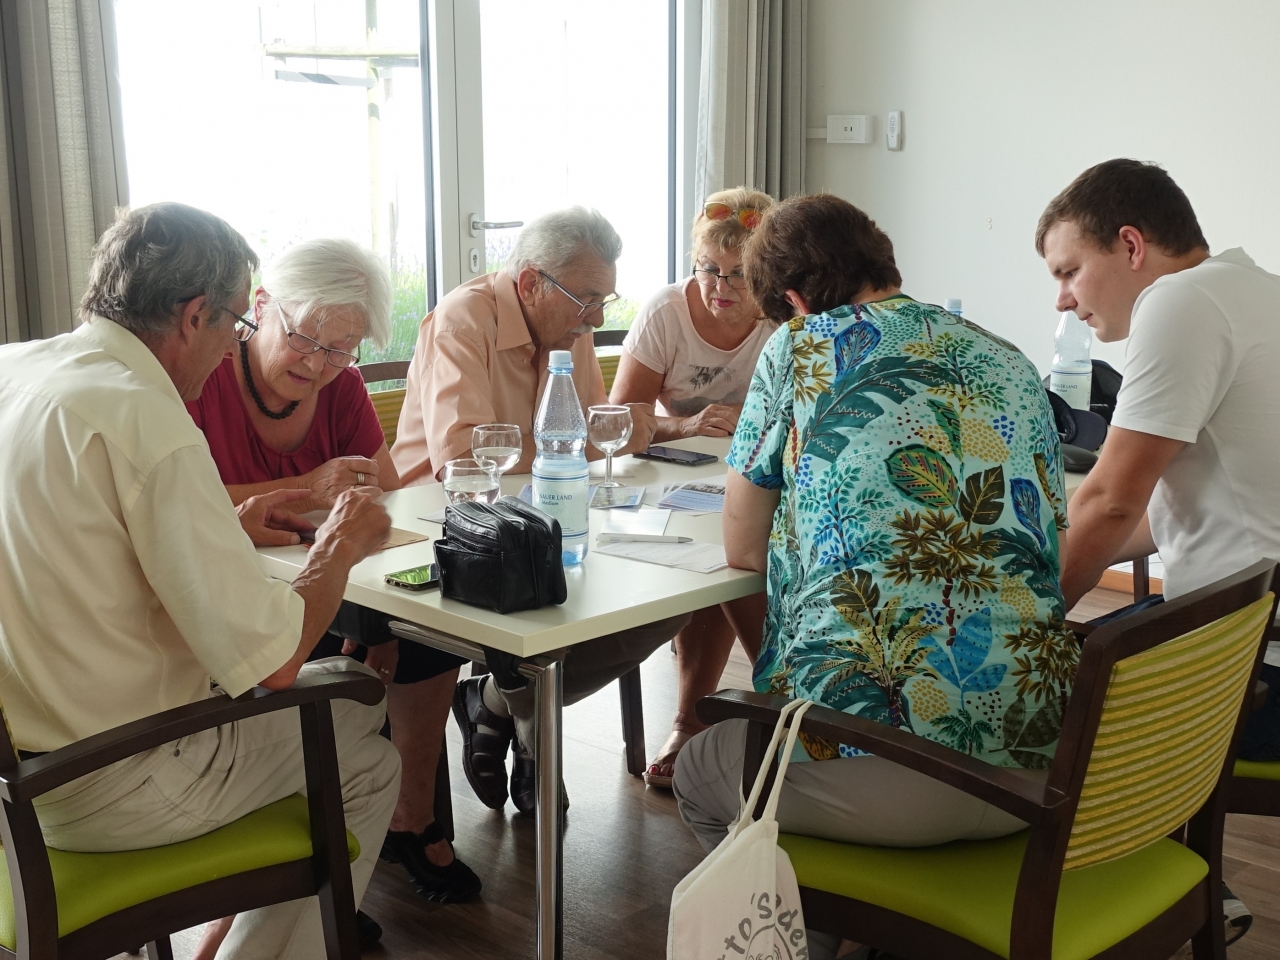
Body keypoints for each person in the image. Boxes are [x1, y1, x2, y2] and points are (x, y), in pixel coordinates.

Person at [673, 195, 1078, 960]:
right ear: (883, 265)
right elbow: (1048, 531)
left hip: (893, 779)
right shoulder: (1008, 356)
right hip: (1038, 769)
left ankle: (809, 936)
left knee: (701, 766)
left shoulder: (800, 348)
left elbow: (743, 546)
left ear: (793, 300)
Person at [0, 202, 400, 960]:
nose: (231, 349)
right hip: (115, 779)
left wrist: (225, 518)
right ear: (191, 316)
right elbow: (276, 663)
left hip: (23, 769)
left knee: (334, 704)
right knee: (364, 732)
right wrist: (340, 545)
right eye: (230, 328)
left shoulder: (14, 369)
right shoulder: (146, 420)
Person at [183, 237, 478, 957]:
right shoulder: (204, 375)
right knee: (329, 685)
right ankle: (302, 886)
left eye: (341, 349)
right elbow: (185, 501)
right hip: (232, 594)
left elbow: (385, 493)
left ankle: (395, 831)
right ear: (260, 309)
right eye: (306, 337)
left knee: (427, 630)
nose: (318, 364)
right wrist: (308, 488)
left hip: (322, 575)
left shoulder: (341, 390)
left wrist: (354, 518)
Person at [1037, 157, 1280, 945]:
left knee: (1026, 694)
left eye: (1070, 271)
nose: (1063, 300)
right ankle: (1192, 885)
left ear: (1132, 247)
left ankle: (1066, 902)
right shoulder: (1257, 290)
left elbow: (1110, 499)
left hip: (1252, 672)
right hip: (1257, 630)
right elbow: (1158, 511)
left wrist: (1029, 619)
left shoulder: (1180, 303)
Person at [392, 207, 690, 814]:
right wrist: (587, 442)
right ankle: (530, 719)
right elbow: (461, 457)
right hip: (446, 528)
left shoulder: (568, 331)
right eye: (586, 300)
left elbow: (591, 427)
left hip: (544, 521)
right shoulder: (462, 319)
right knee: (574, 601)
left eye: (606, 300)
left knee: (677, 596)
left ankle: (502, 702)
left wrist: (617, 434)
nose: (598, 320)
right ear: (530, 282)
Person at [610, 186, 778, 788]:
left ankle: (786, 698)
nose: (720, 286)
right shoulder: (665, 313)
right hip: (673, 476)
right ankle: (692, 718)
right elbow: (617, 419)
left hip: (760, 473)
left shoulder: (786, 318)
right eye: (709, 268)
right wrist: (683, 422)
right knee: (714, 565)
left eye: (738, 274)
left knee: (745, 558)